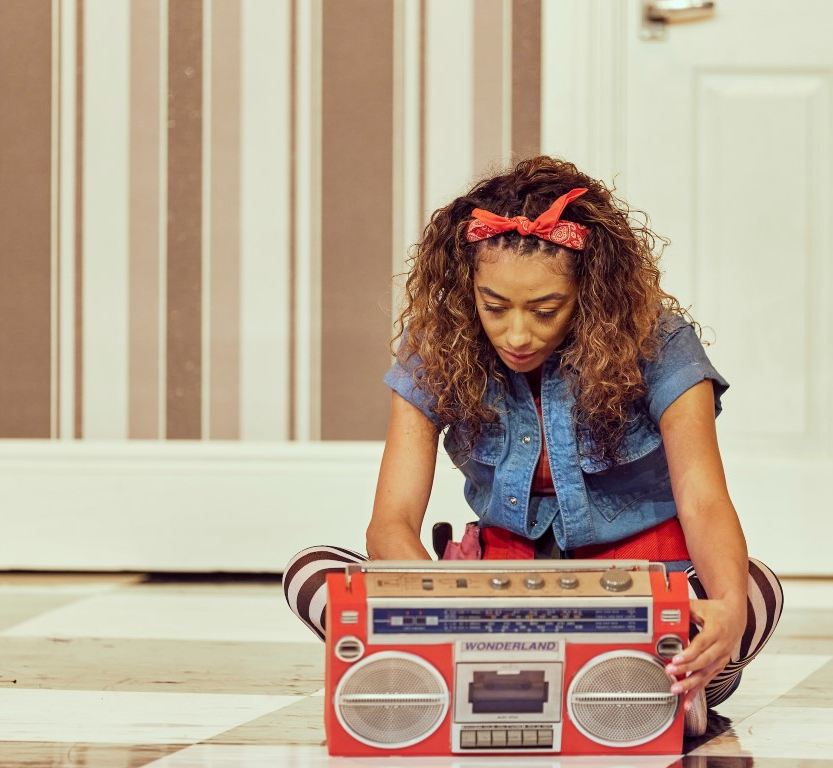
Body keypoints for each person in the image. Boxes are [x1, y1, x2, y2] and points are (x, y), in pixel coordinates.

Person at [283, 155, 782, 736]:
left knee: (753, 586)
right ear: (468, 289)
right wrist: (441, 610)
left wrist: (723, 608)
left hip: (640, 590)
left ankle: (657, 675)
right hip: (496, 598)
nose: (517, 334)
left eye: (546, 309)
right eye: (494, 306)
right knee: (312, 572)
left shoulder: (662, 345)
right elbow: (390, 524)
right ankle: (609, 689)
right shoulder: (436, 347)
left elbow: (703, 499)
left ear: (591, 294)